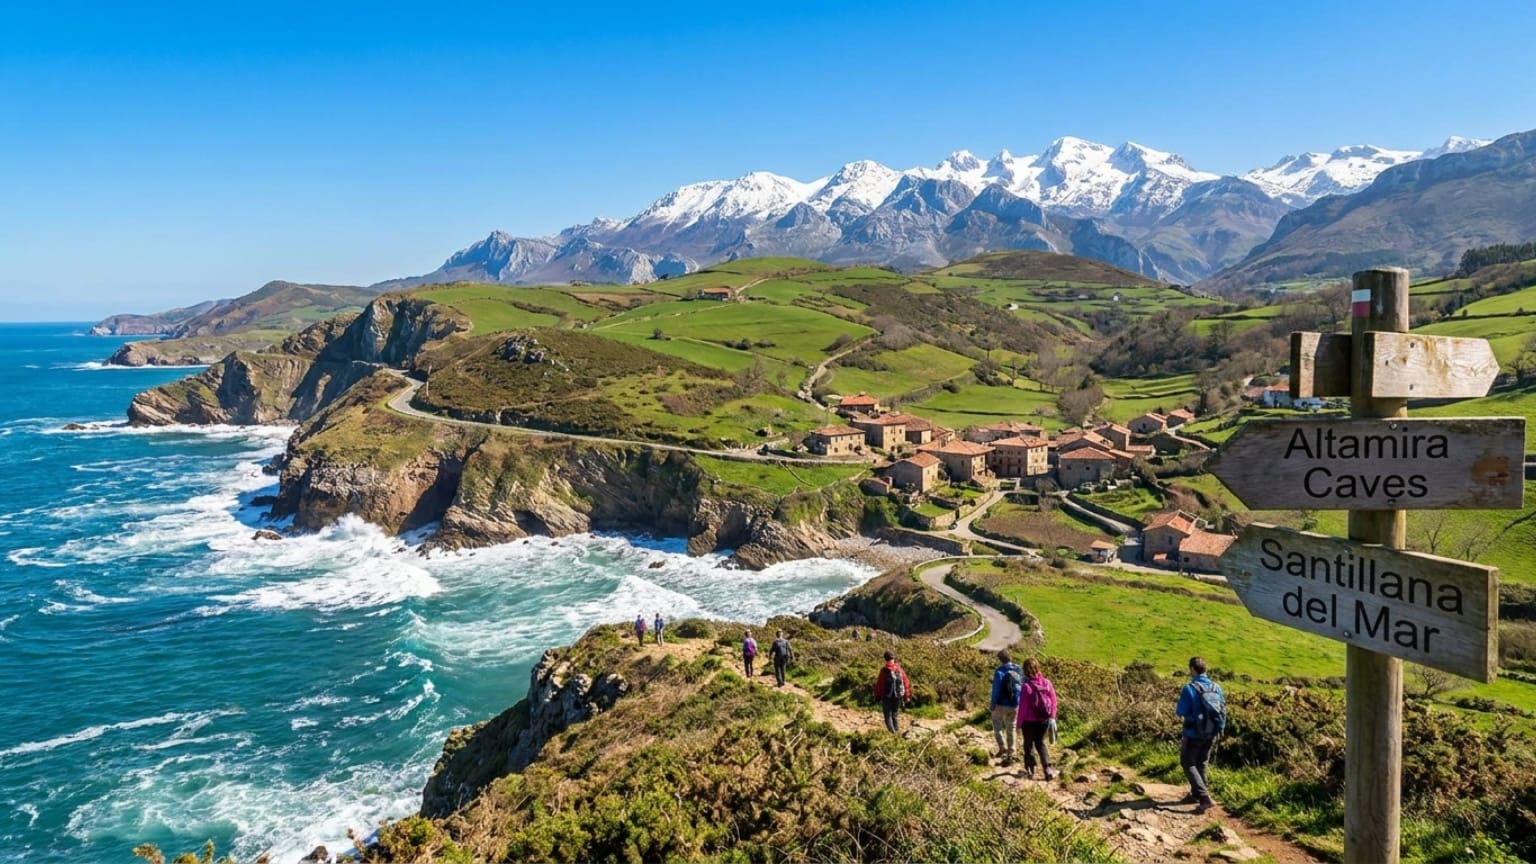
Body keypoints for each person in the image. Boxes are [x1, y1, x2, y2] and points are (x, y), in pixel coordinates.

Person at [1175, 656, 1224, 813]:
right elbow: (1223, 710)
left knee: (1187, 763)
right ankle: (1196, 795)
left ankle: (1204, 797)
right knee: (1202, 762)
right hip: (1212, 733)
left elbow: (1180, 711)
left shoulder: (1190, 689)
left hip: (1193, 732)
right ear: (1206, 669)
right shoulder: (1217, 688)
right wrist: (1220, 729)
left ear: (1192, 669)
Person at [1014, 657, 1058, 779]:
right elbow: (1054, 701)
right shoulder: (1047, 683)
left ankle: (1030, 768)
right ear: (1038, 668)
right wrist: (1052, 716)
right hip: (1043, 720)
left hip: (1028, 721)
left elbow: (1022, 708)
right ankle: (1047, 768)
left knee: (1028, 744)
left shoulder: (1026, 687)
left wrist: (1018, 724)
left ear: (1025, 671)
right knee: (1040, 742)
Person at [989, 650, 1024, 764]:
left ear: (1000, 660)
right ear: (1010, 657)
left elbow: (996, 690)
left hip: (1000, 704)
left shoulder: (999, 671)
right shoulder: (1018, 669)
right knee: (1011, 727)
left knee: (997, 725)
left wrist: (993, 704)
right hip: (1014, 704)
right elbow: (1023, 685)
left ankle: (1002, 748)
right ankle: (1012, 752)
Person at [873, 649, 911, 733]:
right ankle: (896, 732)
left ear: (885, 659)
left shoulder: (884, 671)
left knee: (888, 716)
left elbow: (879, 684)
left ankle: (892, 733)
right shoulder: (899, 669)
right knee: (895, 714)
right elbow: (906, 682)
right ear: (894, 658)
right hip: (898, 696)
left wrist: (877, 696)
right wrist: (907, 696)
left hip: (887, 696)